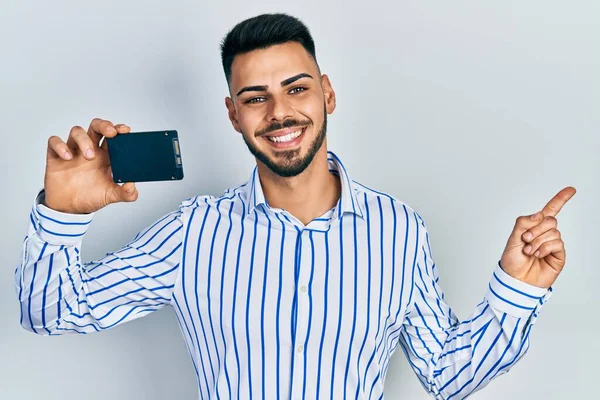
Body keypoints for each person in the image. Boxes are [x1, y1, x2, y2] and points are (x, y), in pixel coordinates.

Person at [15, 12, 576, 400]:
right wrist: (63, 215)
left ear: (327, 93)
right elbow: (51, 312)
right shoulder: (194, 234)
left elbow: (449, 375)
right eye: (255, 98)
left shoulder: (398, 232)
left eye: (296, 88)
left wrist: (517, 287)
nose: (278, 113)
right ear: (234, 114)